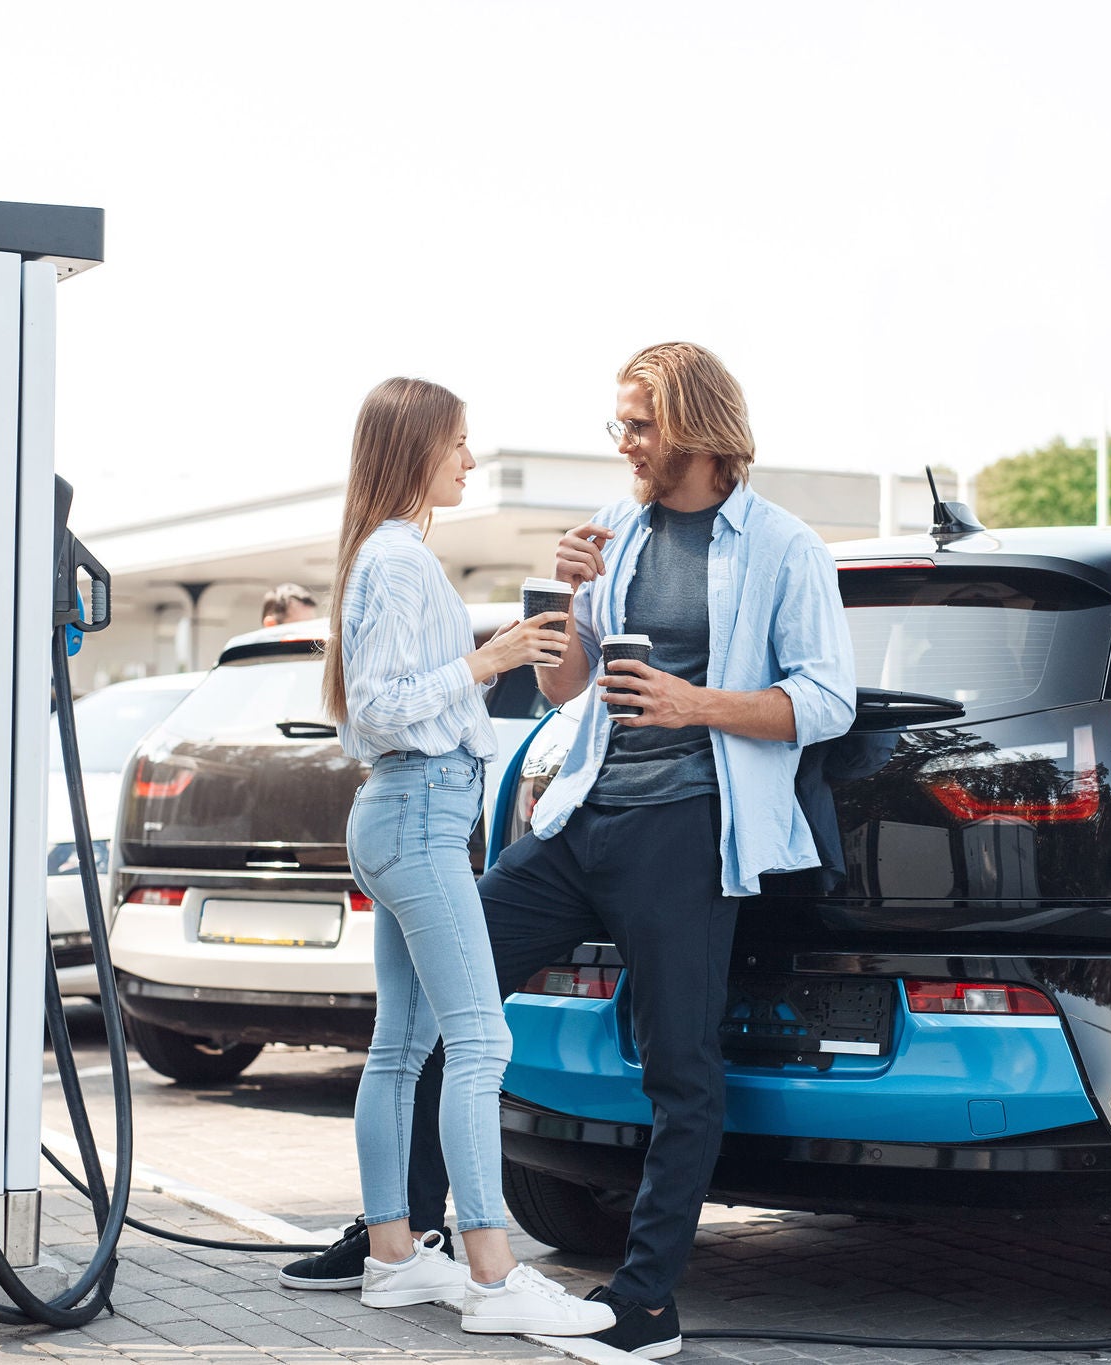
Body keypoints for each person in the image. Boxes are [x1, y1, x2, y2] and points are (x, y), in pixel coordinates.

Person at [475, 342, 858, 1357]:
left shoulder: (781, 546)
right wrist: (564, 609)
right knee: (450, 984)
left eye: (636, 425)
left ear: (689, 426)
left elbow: (826, 701)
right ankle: (414, 1231)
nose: (623, 443)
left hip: (688, 832)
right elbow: (567, 691)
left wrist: (696, 706)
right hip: (582, 815)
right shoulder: (613, 530)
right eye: (619, 425)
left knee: (681, 1070)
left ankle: (643, 1303)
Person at [318, 376, 614, 1336]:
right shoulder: (397, 560)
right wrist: (487, 661)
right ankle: (493, 1274)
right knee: (480, 1041)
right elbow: (383, 704)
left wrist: (490, 651)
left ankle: (396, 1258)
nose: (470, 459)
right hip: (416, 812)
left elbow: (397, 693)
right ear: (416, 449)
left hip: (405, 811)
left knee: (402, 1048)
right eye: (458, 443)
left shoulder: (387, 555)